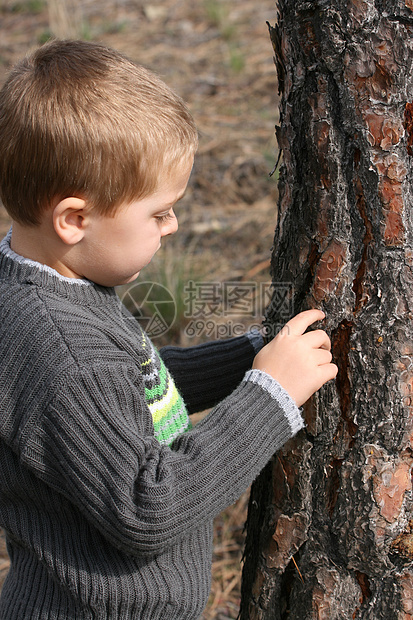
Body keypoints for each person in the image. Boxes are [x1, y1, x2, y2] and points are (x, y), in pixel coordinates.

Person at [0, 39, 337, 619]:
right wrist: (268, 398)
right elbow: (148, 506)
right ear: (74, 219)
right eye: (158, 212)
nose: (174, 224)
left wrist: (253, 355)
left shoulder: (45, 287)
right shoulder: (66, 351)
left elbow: (130, 393)